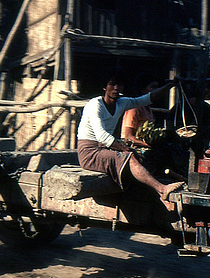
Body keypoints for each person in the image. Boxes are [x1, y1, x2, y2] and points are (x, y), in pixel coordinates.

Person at [76, 70, 184, 211]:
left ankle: (157, 201)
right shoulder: (95, 105)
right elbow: (101, 135)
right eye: (112, 84)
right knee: (130, 156)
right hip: (89, 152)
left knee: (144, 158)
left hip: (104, 148)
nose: (116, 88)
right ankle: (162, 189)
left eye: (119, 85)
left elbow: (147, 99)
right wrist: (124, 148)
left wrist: (170, 85)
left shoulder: (121, 103)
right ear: (104, 87)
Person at [120, 72, 159, 148]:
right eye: (153, 87)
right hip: (132, 148)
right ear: (143, 90)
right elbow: (128, 137)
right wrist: (149, 146)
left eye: (157, 87)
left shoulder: (147, 108)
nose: (156, 90)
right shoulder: (135, 108)